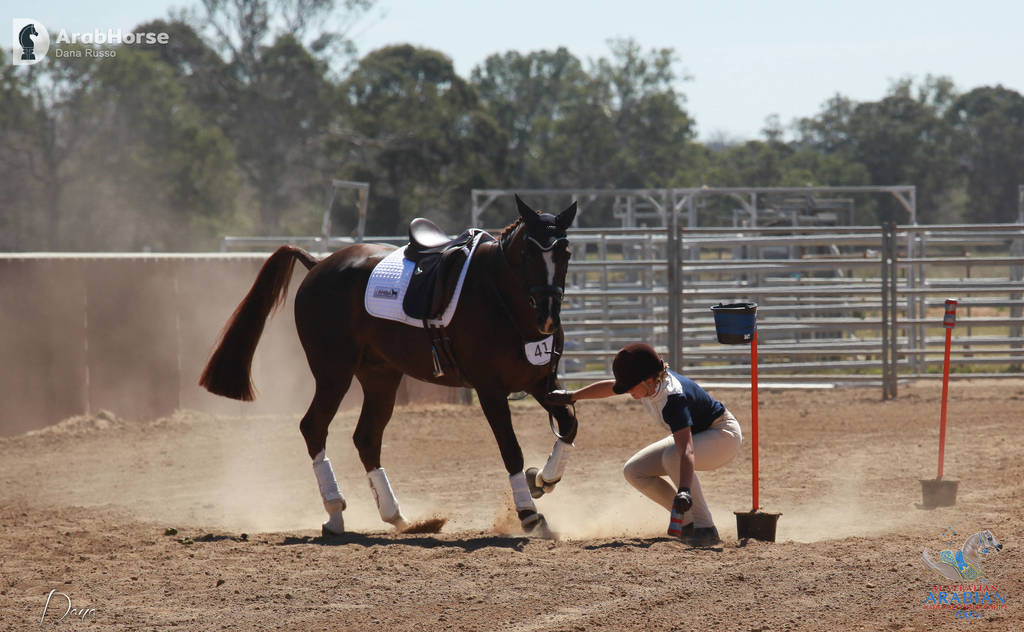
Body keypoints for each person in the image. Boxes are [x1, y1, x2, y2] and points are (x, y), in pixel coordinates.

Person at [546, 343, 742, 546]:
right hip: (696, 435)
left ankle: (706, 528)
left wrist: (684, 489)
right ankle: (688, 521)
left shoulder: (673, 398)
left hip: (723, 435)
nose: (628, 391)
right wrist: (571, 396)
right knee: (634, 470)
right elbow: (610, 387)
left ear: (649, 379)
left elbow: (686, 450)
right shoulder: (649, 384)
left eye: (631, 385)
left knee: (672, 457)